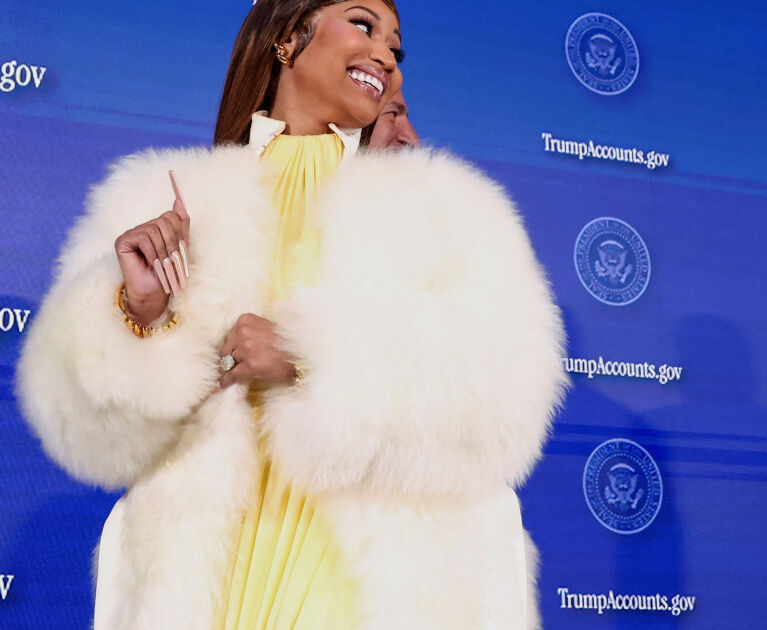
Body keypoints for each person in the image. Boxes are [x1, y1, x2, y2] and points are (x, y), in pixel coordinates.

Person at [16, 1, 566, 628]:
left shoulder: (443, 207)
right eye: (363, 24)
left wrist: (310, 359)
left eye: (395, 46)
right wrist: (140, 313)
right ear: (287, 35)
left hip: (362, 577)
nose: (385, 55)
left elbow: (506, 398)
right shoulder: (165, 198)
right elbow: (82, 432)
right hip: (205, 580)